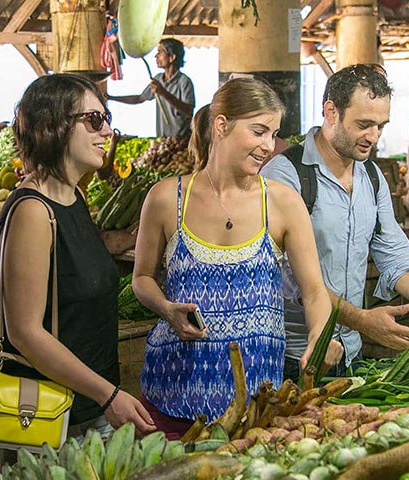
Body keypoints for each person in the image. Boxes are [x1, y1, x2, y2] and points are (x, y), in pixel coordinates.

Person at [132, 77, 342, 439]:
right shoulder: (167, 198)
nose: (268, 146)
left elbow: (314, 292)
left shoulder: (282, 202)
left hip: (256, 407)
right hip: (173, 396)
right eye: (259, 131)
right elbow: (142, 279)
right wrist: (167, 309)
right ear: (221, 124)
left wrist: (318, 336)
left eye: (273, 134)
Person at [261, 63, 409, 380]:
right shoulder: (286, 175)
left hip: (348, 353)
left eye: (381, 126)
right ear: (331, 112)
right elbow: (287, 278)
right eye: (364, 124)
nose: (373, 137)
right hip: (291, 357)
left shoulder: (372, 178)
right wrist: (363, 320)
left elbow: (395, 255)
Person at [0, 74, 156, 441]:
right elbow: (24, 332)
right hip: (51, 417)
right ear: (54, 126)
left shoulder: (74, 199)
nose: (107, 133)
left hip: (91, 410)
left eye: (108, 120)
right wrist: (108, 394)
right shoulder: (33, 211)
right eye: (95, 120)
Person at [107, 38, 195, 138]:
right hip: (162, 139)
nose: (156, 56)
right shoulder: (158, 79)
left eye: (160, 52)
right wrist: (111, 97)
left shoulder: (184, 82)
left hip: (181, 140)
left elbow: (188, 111)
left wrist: (163, 93)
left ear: (172, 57)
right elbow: (139, 98)